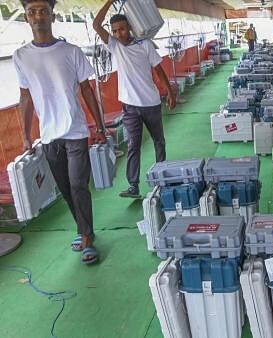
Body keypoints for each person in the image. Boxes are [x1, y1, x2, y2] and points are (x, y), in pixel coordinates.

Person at [14, 0, 106, 264]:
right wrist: (26, 135)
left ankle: (87, 237)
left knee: (78, 184)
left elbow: (87, 90)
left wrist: (99, 125)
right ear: (26, 17)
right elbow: (25, 98)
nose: (38, 16)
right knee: (65, 187)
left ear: (52, 15)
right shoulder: (21, 56)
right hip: (49, 135)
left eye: (43, 11)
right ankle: (82, 228)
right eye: (32, 12)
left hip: (76, 131)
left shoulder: (72, 51)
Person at [93, 0, 176, 199]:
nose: (118, 34)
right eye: (114, 30)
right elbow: (96, 25)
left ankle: (161, 179)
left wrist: (170, 92)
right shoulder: (114, 46)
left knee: (159, 141)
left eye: (121, 29)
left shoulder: (145, 44)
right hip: (129, 106)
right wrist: (110, 1)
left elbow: (158, 69)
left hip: (151, 103)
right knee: (133, 145)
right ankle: (133, 186)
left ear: (129, 27)